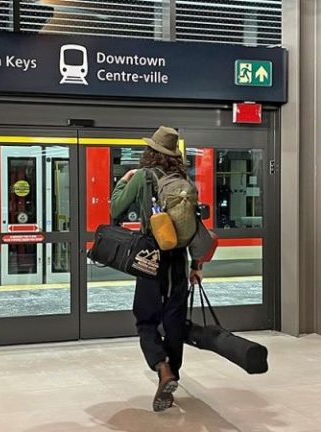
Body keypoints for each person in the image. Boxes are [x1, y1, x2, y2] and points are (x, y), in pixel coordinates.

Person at [110, 126, 203, 412]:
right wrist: (196, 265)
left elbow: (115, 209)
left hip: (150, 255)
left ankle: (162, 368)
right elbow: (195, 227)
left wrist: (123, 182)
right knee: (174, 319)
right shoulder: (185, 182)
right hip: (178, 258)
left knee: (146, 318)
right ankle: (172, 373)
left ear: (151, 152)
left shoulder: (143, 176)